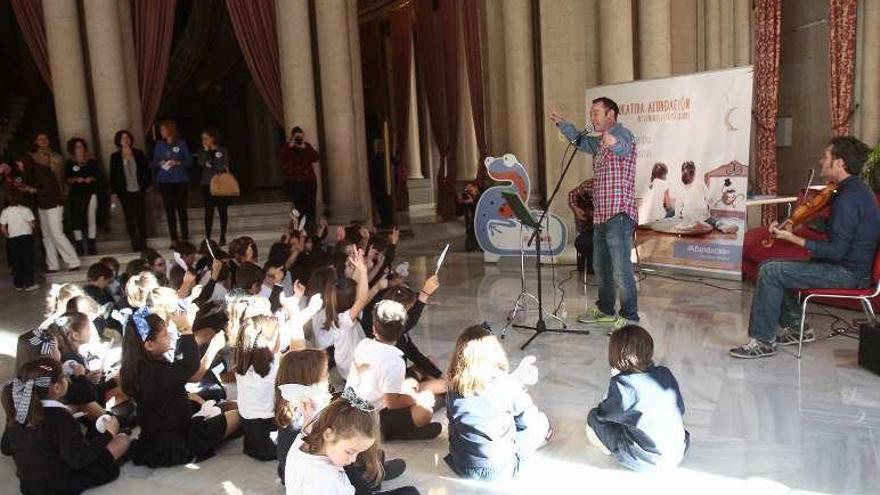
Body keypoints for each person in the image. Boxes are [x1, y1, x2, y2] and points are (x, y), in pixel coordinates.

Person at [730, 136, 880, 358]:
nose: (821, 161)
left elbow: (837, 251)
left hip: (847, 273)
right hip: (848, 267)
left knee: (771, 271)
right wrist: (796, 222)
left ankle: (762, 341)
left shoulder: (848, 199)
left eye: (825, 157)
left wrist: (792, 238)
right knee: (772, 266)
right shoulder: (854, 191)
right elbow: (837, 229)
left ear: (839, 163)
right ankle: (796, 327)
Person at [551, 97, 639, 329]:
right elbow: (581, 141)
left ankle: (630, 318)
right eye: (591, 113)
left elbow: (625, 147)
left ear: (611, 115)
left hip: (619, 214)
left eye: (597, 113)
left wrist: (613, 143)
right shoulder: (598, 142)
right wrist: (563, 125)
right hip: (601, 216)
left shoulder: (623, 134)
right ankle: (606, 310)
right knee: (601, 267)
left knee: (621, 269)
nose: (592, 117)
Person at [120, 308, 240, 466]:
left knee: (228, 405)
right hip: (178, 442)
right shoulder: (154, 372)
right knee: (239, 415)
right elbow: (187, 365)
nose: (169, 336)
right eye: (164, 335)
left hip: (158, 437)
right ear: (149, 345)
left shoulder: (136, 369)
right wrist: (185, 329)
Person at [1, 358, 131, 494]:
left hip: (29, 487)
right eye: (64, 377)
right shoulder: (60, 417)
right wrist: (109, 433)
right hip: (60, 485)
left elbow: (6, 448)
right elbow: (79, 459)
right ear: (57, 387)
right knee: (122, 439)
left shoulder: (17, 411)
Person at [445, 325, 551, 481]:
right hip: (501, 469)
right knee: (541, 422)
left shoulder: (454, 386)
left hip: (462, 465)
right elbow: (527, 422)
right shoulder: (507, 384)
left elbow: (452, 422)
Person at [586, 325, 689, 471]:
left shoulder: (624, 385)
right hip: (678, 450)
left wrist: (614, 379)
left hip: (649, 460)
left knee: (593, 417)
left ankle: (610, 448)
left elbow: (604, 414)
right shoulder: (665, 373)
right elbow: (680, 409)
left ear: (616, 355)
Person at [284, 388, 420, 495]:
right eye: (350, 452)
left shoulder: (303, 440)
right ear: (328, 434)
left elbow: (307, 430)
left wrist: (308, 417)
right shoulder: (322, 479)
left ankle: (374, 473)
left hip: (347, 488)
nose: (353, 459)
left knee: (410, 492)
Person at [346, 300, 444, 441]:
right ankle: (402, 433)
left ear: (374, 328)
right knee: (425, 411)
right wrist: (418, 397)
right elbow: (392, 403)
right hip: (370, 420)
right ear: (401, 331)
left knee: (421, 377)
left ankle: (406, 426)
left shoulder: (363, 344)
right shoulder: (394, 360)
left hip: (351, 411)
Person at [16, 153, 81, 272]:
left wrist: (32, 189)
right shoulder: (31, 172)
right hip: (43, 206)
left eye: (19, 163)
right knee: (46, 236)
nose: (18, 166)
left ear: (24, 162)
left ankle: (73, 261)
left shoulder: (41, 170)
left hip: (52, 204)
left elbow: (48, 188)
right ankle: (53, 265)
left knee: (56, 233)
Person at [275, 349, 332, 482]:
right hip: (307, 478)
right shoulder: (310, 412)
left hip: (288, 473)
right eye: (324, 374)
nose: (329, 376)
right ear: (309, 382)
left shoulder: (291, 405)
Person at [152, 118, 192, 244]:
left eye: (163, 129)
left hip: (180, 179)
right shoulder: (159, 144)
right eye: (161, 130)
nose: (162, 132)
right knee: (169, 209)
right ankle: (174, 238)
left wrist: (178, 162)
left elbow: (189, 161)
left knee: (181, 208)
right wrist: (160, 163)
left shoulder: (181, 144)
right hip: (165, 180)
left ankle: (185, 236)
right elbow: (154, 162)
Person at [110, 129, 151, 252]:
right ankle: (134, 242)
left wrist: (148, 184)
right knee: (129, 217)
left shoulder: (138, 153)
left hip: (138, 189)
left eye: (127, 137)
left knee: (141, 216)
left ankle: (143, 242)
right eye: (123, 138)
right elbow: (113, 175)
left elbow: (146, 170)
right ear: (119, 141)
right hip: (124, 191)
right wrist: (113, 193)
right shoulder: (115, 157)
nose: (125, 140)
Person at [278, 126, 320, 227]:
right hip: (293, 182)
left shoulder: (306, 146)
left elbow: (315, 157)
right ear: (291, 137)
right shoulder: (287, 147)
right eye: (296, 137)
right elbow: (280, 156)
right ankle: (298, 227)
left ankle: (310, 226)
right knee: (297, 207)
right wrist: (290, 145)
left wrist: (304, 147)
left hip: (308, 181)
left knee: (310, 206)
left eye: (299, 137)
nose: (298, 139)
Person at [65, 138, 100, 255]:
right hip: (76, 193)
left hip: (90, 191)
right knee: (77, 217)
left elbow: (97, 175)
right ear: (73, 149)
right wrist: (76, 179)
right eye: (77, 147)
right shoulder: (70, 163)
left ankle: (91, 243)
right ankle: (79, 244)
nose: (80, 149)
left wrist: (90, 178)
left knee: (91, 216)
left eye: (81, 146)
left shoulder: (91, 162)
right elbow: (67, 178)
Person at [198, 127, 231, 245]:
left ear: (213, 138)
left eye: (206, 138)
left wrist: (212, 164)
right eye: (203, 139)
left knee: (222, 210)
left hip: (220, 183)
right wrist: (207, 152)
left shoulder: (223, 150)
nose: (204, 141)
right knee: (208, 211)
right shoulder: (202, 151)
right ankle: (208, 236)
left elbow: (222, 165)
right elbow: (202, 163)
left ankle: (223, 236)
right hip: (207, 183)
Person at [0, 192, 37, 290]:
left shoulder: (5, 212)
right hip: (26, 237)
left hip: (13, 239)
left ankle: (18, 284)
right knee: (28, 261)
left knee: (16, 262)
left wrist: (7, 236)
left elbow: (3, 227)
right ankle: (29, 283)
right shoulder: (26, 210)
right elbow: (32, 224)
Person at [568, 179, 595, 275]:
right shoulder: (592, 184)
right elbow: (572, 194)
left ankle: (597, 266)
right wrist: (575, 207)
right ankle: (592, 265)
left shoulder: (619, 188)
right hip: (592, 228)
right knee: (580, 242)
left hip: (610, 230)